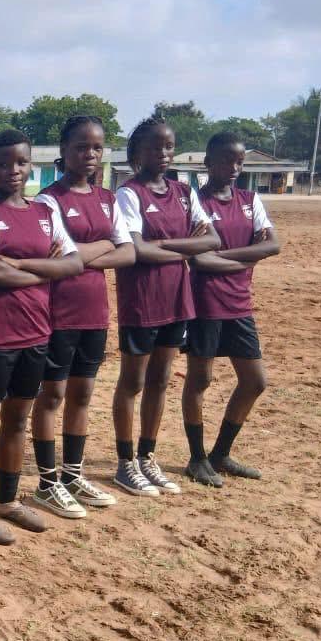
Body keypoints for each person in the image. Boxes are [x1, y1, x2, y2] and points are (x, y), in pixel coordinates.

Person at [0, 130, 83, 545]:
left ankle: (7, 501)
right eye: (3, 162)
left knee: (17, 420)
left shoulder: (45, 211)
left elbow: (73, 264)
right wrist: (43, 268)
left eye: (21, 162)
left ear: (31, 165)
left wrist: (18, 264)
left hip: (36, 331)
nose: (12, 170)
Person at [29, 116, 136, 517]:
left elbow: (129, 252)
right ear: (64, 150)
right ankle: (47, 482)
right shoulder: (48, 201)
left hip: (95, 312)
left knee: (82, 394)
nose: (89, 154)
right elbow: (56, 255)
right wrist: (103, 245)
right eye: (81, 147)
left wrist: (79, 255)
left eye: (96, 147)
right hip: (57, 312)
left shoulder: (108, 199)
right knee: (52, 395)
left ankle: (73, 474)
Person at [111, 119, 220, 496]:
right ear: (137, 153)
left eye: (169, 146)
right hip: (141, 301)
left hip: (177, 299)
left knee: (160, 380)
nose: (163, 153)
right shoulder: (129, 194)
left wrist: (162, 245)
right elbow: (136, 250)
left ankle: (147, 456)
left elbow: (212, 239)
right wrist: (183, 245)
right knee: (133, 382)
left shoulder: (185, 192)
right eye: (154, 147)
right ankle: (125, 462)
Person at [182, 131, 281, 485]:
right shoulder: (194, 201)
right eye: (227, 160)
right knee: (200, 380)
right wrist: (247, 257)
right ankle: (196, 458)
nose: (234, 167)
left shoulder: (250, 200)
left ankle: (220, 454)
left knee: (255, 381)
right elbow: (199, 260)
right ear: (209, 163)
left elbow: (273, 245)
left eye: (239, 161)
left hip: (240, 304)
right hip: (204, 302)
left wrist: (222, 254)